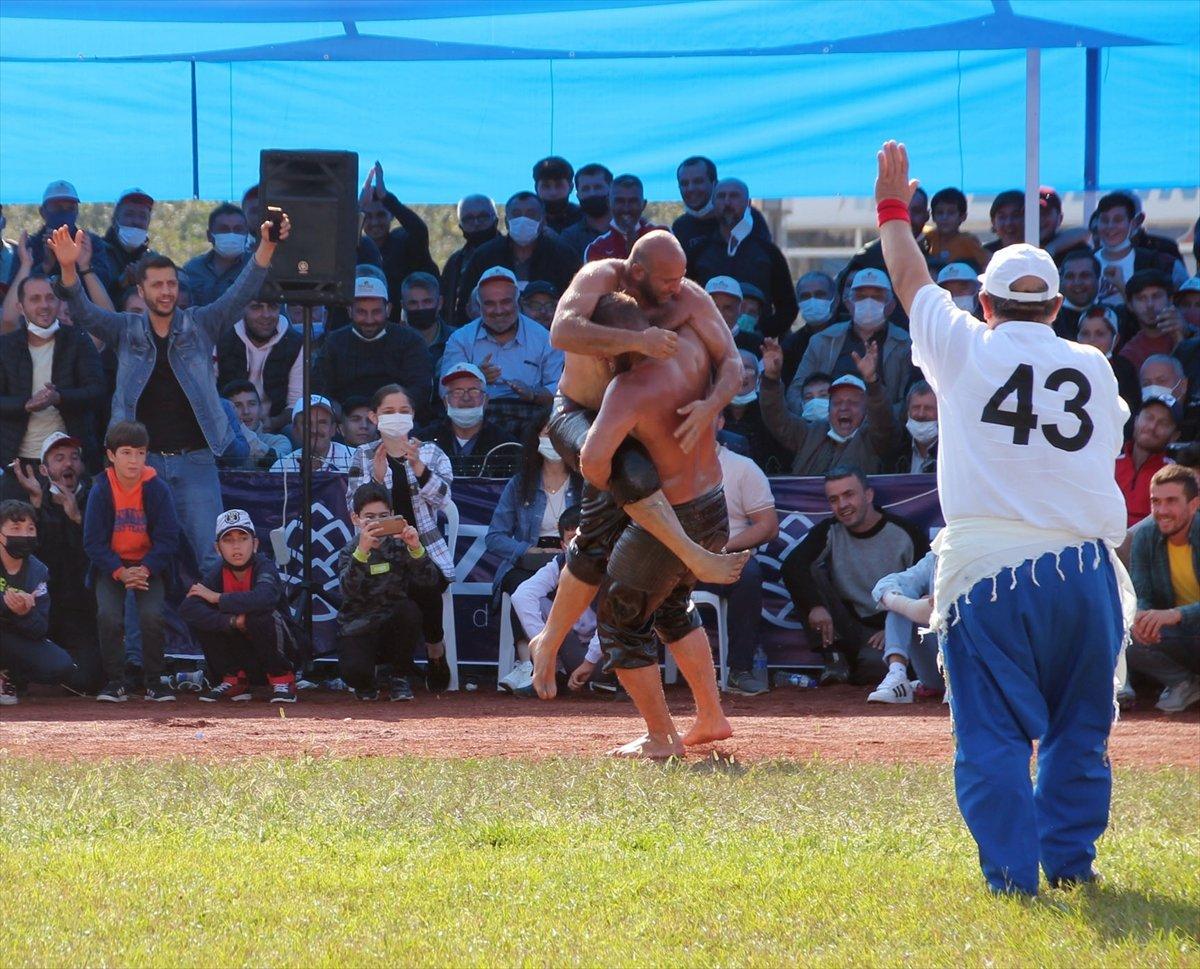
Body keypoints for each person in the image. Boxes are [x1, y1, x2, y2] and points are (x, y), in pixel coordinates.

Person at [877, 141, 1131, 896]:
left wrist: (893, 208)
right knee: (1080, 729)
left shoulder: (964, 346)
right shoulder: (1095, 366)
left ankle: (1014, 879)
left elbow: (910, 278)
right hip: (1084, 571)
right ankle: (1071, 865)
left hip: (989, 574)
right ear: (1057, 308)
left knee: (992, 734)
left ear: (984, 303)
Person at [525, 232, 751, 703]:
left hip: (626, 421)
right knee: (626, 479)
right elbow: (560, 332)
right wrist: (638, 342)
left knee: (596, 545)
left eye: (681, 277)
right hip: (578, 413)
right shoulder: (598, 277)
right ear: (638, 272)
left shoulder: (688, 297)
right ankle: (692, 554)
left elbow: (732, 361)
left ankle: (547, 642)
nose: (677, 288)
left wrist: (711, 406)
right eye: (668, 280)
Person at [51, 209, 290, 574]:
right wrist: (69, 269)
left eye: (171, 284)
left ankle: (219, 611)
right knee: (137, 555)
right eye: (157, 285)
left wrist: (267, 246)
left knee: (212, 558)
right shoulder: (124, 329)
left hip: (196, 461)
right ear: (141, 290)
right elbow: (84, 312)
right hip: (139, 465)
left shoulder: (202, 323)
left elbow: (241, 292)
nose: (166, 291)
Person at [572, 293, 735, 758]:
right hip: (714, 504)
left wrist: (618, 474)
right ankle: (711, 717)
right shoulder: (691, 354)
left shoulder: (627, 389)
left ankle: (662, 738)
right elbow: (733, 367)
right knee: (671, 606)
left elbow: (593, 462)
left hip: (671, 518)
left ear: (608, 347)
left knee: (619, 621)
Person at [346, 384, 455, 691]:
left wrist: (419, 467)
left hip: (424, 548)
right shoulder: (363, 455)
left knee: (425, 580)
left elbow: (444, 499)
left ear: (413, 415)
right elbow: (355, 510)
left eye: (403, 411)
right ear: (374, 417)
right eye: (389, 411)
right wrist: (377, 479)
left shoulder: (431, 452)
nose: (397, 417)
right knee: (388, 589)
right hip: (380, 552)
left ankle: (435, 649)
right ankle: (394, 668)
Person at [780, 466, 929, 687]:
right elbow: (793, 566)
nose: (842, 505)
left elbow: (927, 588)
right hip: (849, 624)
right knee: (807, 572)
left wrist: (894, 628)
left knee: (875, 668)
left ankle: (856, 668)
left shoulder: (905, 533)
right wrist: (815, 606)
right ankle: (834, 660)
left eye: (849, 495)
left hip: (892, 624)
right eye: (834, 499)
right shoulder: (830, 530)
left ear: (868, 495)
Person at [82, 420, 181, 702]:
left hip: (149, 565)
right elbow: (92, 542)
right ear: (111, 455)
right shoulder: (101, 489)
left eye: (140, 453)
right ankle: (116, 682)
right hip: (111, 565)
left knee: (152, 616)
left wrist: (145, 569)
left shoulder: (157, 488)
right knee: (109, 616)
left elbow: (168, 538)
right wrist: (120, 572)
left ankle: (154, 682)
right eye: (126, 452)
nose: (134, 460)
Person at [487, 413, 581, 676]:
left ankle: (558, 659)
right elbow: (494, 537)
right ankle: (528, 663)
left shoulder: (585, 483)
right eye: (547, 433)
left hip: (575, 559)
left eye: (560, 434)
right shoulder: (520, 484)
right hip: (528, 559)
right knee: (521, 585)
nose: (554, 440)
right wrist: (529, 551)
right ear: (535, 439)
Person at [8, 432, 102, 693]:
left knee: (88, 681)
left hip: (81, 613)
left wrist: (76, 518)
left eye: (74, 457)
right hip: (39, 611)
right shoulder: (31, 502)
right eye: (59, 458)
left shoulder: (95, 498)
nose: (68, 464)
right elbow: (30, 558)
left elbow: (96, 557)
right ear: (44, 469)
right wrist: (37, 505)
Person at [336, 481, 445, 701]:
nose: (377, 523)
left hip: (393, 627)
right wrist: (362, 552)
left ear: (393, 515)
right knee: (354, 673)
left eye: (383, 516)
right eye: (369, 517)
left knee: (410, 611)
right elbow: (347, 591)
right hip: (359, 627)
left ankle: (399, 676)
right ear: (355, 519)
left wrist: (416, 548)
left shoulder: (401, 545)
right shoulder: (349, 551)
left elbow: (431, 583)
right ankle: (367, 682)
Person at [694, 417, 780, 696]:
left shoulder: (743, 467)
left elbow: (768, 526)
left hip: (725, 558)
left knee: (749, 573)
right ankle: (627, 673)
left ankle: (739, 671)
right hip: (677, 560)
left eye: (704, 414)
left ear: (719, 422)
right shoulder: (667, 467)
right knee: (636, 570)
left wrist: (721, 549)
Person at [179, 509, 300, 703]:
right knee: (202, 616)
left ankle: (283, 680)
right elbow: (188, 608)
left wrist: (218, 598)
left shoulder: (264, 566)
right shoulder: (216, 572)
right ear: (217, 548)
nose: (236, 546)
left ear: (255, 544)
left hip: (282, 652)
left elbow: (265, 598)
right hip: (246, 656)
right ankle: (235, 679)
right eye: (228, 540)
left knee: (260, 616)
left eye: (243, 539)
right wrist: (232, 621)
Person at [1, 273, 106, 488]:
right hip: (18, 463)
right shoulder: (5, 347)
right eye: (35, 299)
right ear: (21, 307)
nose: (44, 305)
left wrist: (59, 398)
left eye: (50, 298)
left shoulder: (78, 340)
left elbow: (97, 391)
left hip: (70, 463)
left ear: (59, 302)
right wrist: (26, 404)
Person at [439, 266, 564, 439]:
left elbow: (560, 391)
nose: (498, 311)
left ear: (517, 302)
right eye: (490, 304)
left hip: (530, 417)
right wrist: (475, 377)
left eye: (505, 302)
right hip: (476, 416)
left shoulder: (544, 338)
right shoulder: (460, 339)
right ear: (479, 306)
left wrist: (532, 393)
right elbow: (444, 391)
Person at [508, 505, 609, 696]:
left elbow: (612, 622)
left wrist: (589, 661)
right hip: (571, 653)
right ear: (563, 546)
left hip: (606, 659)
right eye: (572, 539)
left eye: (584, 537)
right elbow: (522, 595)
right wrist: (544, 651)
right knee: (529, 598)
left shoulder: (611, 566)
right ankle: (552, 672)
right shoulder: (559, 563)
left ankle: (617, 685)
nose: (579, 545)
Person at [786, 268, 913, 416]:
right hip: (827, 424)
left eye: (877, 297)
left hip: (882, 427)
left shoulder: (906, 344)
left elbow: (909, 399)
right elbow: (795, 391)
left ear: (891, 306)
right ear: (848, 303)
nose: (868, 302)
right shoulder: (822, 340)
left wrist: (878, 417)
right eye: (861, 297)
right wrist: (815, 412)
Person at [761, 340, 897, 476]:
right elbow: (777, 419)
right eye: (837, 402)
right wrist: (771, 379)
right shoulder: (810, 432)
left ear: (866, 409)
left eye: (853, 402)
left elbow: (883, 420)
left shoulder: (874, 438)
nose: (844, 407)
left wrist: (872, 381)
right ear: (829, 409)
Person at [1127, 464, 1200, 713]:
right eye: (1155, 501)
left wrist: (1175, 614)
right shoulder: (1144, 535)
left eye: (1171, 501)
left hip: (1182, 624)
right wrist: (1142, 618)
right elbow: (1141, 593)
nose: (1161, 511)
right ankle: (1183, 683)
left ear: (1194, 504)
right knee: (1124, 631)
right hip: (1176, 635)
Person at [686, 178, 797, 338]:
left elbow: (788, 307)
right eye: (721, 196)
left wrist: (760, 333)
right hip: (708, 342)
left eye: (734, 196)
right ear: (713, 203)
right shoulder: (698, 252)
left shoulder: (769, 252)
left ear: (748, 203)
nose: (727, 202)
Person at [311, 276, 434, 418]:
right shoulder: (334, 342)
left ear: (388, 309)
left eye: (376, 312)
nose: (369, 320)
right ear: (349, 310)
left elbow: (420, 390)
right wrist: (345, 417)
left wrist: (388, 414)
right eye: (361, 312)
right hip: (346, 421)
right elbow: (319, 390)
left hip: (397, 419)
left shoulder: (410, 341)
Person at [0, 498, 79, 704]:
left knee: (61, 666)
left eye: (30, 529)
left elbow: (40, 628)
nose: (24, 535)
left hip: (14, 636)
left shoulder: (38, 572)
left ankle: (11, 677)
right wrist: (6, 603)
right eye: (15, 528)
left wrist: (24, 613)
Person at [458, 192, 582, 303]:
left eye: (531, 214)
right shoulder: (484, 256)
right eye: (516, 214)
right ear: (506, 222)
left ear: (543, 221)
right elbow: (466, 303)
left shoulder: (563, 256)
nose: (523, 220)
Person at [357, 161, 439, 320]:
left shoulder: (403, 242)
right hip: (367, 320)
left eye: (381, 215)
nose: (374, 222)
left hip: (407, 322)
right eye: (367, 216)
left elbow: (419, 230)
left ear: (391, 215)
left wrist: (386, 198)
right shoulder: (357, 248)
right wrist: (357, 208)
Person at [215, 285, 302, 431]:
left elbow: (296, 403)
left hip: (274, 427)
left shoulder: (295, 343)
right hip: (226, 426)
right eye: (256, 307)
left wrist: (273, 423)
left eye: (272, 307)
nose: (266, 315)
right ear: (242, 309)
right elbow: (208, 392)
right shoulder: (221, 338)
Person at [416, 363, 518, 477]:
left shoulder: (506, 445)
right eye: (457, 392)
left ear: (486, 400)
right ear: (446, 402)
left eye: (474, 391)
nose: (466, 398)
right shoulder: (424, 441)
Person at [870, 550, 945, 702]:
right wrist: (911, 605)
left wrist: (945, 600)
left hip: (982, 668)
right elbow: (893, 582)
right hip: (937, 671)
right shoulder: (938, 554)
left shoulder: (993, 552)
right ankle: (897, 673)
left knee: (959, 605)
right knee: (902, 593)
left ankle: (960, 684)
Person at [25, 180, 115, 296]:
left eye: (70, 208)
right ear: (42, 212)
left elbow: (105, 287)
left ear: (77, 211)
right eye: (57, 208)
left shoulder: (91, 243)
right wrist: (46, 266)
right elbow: (20, 293)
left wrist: (77, 263)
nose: (64, 213)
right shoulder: (30, 246)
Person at [1094, 193, 1186, 305]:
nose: (1110, 226)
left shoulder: (1158, 262)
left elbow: (1178, 305)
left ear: (1133, 223)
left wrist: (1120, 285)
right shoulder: (1085, 260)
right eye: (1104, 220)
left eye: (1118, 220)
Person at [671, 155, 771, 259]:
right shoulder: (680, 227)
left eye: (698, 181)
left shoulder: (746, 217)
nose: (690, 189)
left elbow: (767, 260)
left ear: (715, 184)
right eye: (684, 183)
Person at [1115, 394, 1178, 528]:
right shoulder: (1109, 462)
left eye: (1163, 423)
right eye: (1149, 417)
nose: (1152, 426)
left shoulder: (1176, 475)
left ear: (1174, 436)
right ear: (1136, 420)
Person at [442, 195, 501, 325]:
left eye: (483, 217)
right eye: (468, 219)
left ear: (496, 220)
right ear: (460, 226)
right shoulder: (455, 262)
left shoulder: (512, 252)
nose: (476, 223)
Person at [1075, 305, 1141, 419]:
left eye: (1100, 334)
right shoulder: (1066, 365)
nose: (1091, 340)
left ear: (1116, 339)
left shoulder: (1125, 370)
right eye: (1085, 333)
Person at [182, 203, 253, 308]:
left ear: (246, 234)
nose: (231, 235)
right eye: (224, 229)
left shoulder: (255, 268)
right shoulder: (192, 269)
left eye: (238, 229)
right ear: (209, 235)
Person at [584, 174, 662, 262]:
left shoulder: (662, 236)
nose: (626, 208)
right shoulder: (596, 248)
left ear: (643, 204)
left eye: (633, 201)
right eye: (620, 201)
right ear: (609, 203)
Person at [1119, 271, 1186, 373]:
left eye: (1156, 296)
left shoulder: (1192, 331)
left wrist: (1184, 337)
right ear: (1130, 305)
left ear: (1170, 299)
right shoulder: (1129, 353)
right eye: (1141, 298)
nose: (1150, 305)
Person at [270, 396, 354, 473]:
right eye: (307, 423)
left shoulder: (356, 460)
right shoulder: (281, 468)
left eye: (322, 423)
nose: (314, 430)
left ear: (333, 429)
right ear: (295, 431)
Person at [100, 187, 155, 303]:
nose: (136, 221)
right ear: (115, 220)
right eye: (129, 214)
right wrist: (120, 284)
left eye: (143, 216)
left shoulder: (153, 260)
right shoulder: (97, 254)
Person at [222, 380, 292, 469]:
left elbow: (275, 464)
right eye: (237, 405)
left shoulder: (279, 441)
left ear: (260, 408)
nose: (246, 411)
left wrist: (237, 425)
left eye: (252, 404)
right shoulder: (218, 444)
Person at [399, 272, 457, 374]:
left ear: (440, 303)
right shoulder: (393, 343)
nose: (420, 308)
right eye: (413, 303)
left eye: (427, 302)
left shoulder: (458, 340)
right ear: (403, 305)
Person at [920, 187, 990, 270]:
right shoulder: (930, 237)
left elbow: (988, 263)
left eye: (951, 213)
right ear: (933, 217)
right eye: (940, 213)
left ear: (963, 217)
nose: (945, 218)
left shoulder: (968, 240)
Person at [559, 164, 614, 258]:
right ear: (578, 195)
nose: (592, 193)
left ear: (612, 190)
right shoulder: (570, 237)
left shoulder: (630, 228)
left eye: (598, 187)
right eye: (585, 189)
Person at [890, 380, 939, 474]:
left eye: (928, 408)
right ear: (908, 412)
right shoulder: (897, 451)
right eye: (916, 407)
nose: (921, 414)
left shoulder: (950, 452)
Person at [1053, 250, 1103, 341]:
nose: (1077, 283)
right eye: (1070, 276)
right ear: (1061, 280)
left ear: (1098, 278)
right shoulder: (1051, 321)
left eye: (1085, 276)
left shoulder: (1111, 315)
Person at [1037, 187, 1091, 261]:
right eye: (1034, 212)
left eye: (1045, 213)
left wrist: (1051, 248)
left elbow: (1084, 232)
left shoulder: (1075, 251)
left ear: (1060, 218)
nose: (1039, 219)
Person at [532, 156, 582, 234]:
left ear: (571, 187)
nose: (553, 192)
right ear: (536, 188)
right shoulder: (528, 218)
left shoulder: (586, 218)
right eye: (546, 186)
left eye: (559, 185)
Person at [984, 189, 1024, 254]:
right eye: (1002, 217)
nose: (1009, 223)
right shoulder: (983, 254)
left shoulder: (1039, 252)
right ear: (993, 222)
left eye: (1016, 215)